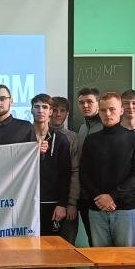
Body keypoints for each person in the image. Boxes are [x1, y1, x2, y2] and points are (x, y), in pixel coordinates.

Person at [79, 91, 135, 247]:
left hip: (125, 210)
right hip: (96, 208)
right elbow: (84, 174)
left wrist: (112, 196)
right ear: (99, 112)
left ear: (121, 110)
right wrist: (99, 198)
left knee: (125, 258)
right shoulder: (91, 140)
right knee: (99, 258)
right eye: (103, 110)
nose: (107, 114)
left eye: (112, 109)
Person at [31, 94, 72, 236]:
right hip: (27, 202)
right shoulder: (22, 137)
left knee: (51, 244)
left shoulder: (61, 140)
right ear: (31, 110)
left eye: (44, 107)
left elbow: (66, 174)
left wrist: (62, 204)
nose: (40, 110)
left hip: (52, 202)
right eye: (36, 107)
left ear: (50, 112)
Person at [75, 87, 103, 245]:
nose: (85, 105)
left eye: (89, 102)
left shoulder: (106, 126)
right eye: (81, 102)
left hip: (101, 196)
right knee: (93, 240)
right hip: (84, 195)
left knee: (104, 243)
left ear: (98, 103)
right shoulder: (82, 128)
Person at [51, 96, 81, 244]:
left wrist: (72, 203)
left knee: (67, 245)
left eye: (62, 111)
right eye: (54, 110)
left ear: (67, 114)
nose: (58, 114)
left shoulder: (73, 138)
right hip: (44, 200)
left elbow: (75, 172)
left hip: (67, 200)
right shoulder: (34, 134)